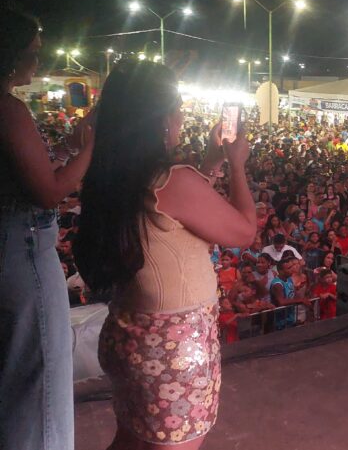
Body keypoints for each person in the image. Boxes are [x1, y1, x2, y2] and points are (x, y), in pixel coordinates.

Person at [75, 60, 257, 450]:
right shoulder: (170, 179)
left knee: (130, 441)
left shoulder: (111, 175)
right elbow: (244, 232)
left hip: (131, 335)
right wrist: (238, 166)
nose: (180, 120)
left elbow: (174, 218)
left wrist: (211, 163)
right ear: (161, 119)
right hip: (173, 350)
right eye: (177, 110)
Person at [0, 7, 94, 450]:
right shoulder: (8, 108)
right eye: (32, 51)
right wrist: (91, 149)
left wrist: (68, 146)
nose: (37, 60)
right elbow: (47, 191)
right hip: (20, 252)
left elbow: (27, 169)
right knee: (39, 381)